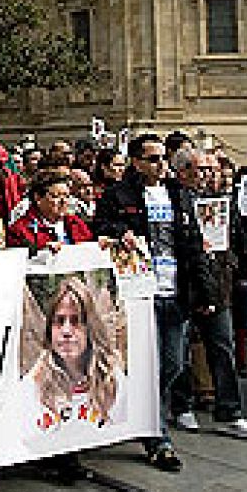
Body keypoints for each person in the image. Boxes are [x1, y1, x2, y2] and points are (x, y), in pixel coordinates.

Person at [92, 133, 216, 473]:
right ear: (135, 161)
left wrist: (205, 293)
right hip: (139, 294)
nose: (161, 164)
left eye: (163, 158)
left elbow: (193, 245)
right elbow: (99, 229)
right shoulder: (118, 195)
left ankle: (145, 413)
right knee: (145, 364)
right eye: (152, 158)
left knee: (173, 363)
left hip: (175, 290)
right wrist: (120, 232)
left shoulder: (179, 194)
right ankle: (156, 435)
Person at [168, 148, 247, 441]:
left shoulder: (222, 201)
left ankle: (229, 411)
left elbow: (236, 239)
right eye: (202, 169)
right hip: (185, 284)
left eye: (212, 169)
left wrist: (236, 269)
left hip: (218, 283)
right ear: (183, 172)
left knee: (222, 347)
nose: (209, 174)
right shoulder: (171, 200)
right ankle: (182, 404)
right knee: (180, 351)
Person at [26, 276, 121, 427]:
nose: (66, 331)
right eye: (59, 320)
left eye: (76, 321)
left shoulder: (114, 381)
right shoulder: (32, 386)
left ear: (90, 329)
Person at [8, 169, 94, 251]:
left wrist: (98, 246)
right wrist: (42, 253)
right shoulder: (20, 230)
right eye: (56, 196)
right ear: (38, 198)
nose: (63, 201)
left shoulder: (76, 222)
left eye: (67, 196)